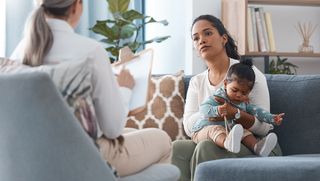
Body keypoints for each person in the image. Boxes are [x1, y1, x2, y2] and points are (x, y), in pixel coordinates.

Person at [10, 0, 172, 177]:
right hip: (85, 156)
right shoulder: (90, 51)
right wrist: (124, 89)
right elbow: (112, 129)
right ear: (76, 6)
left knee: (133, 132)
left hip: (34, 156)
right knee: (162, 139)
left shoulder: (19, 53)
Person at [171, 14, 282, 181]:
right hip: (217, 137)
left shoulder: (247, 73)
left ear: (223, 39)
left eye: (207, 33)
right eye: (196, 38)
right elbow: (189, 126)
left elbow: (264, 127)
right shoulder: (197, 81)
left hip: (256, 144)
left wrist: (235, 114)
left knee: (206, 147)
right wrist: (214, 112)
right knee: (176, 148)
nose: (201, 40)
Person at [191, 59, 284, 156]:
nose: (239, 95)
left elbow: (258, 112)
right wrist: (216, 110)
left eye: (244, 93)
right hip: (202, 131)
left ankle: (257, 147)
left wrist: (272, 118)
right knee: (216, 129)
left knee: (244, 131)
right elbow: (203, 109)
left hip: (227, 131)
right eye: (235, 90)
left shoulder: (243, 103)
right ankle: (227, 143)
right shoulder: (218, 97)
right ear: (226, 84)